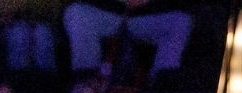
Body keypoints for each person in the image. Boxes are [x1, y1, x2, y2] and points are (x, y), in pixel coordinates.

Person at [62, 0, 193, 75]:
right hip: (107, 12)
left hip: (147, 15)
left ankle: (161, 86)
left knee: (181, 21)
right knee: (77, 12)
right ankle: (85, 83)